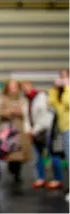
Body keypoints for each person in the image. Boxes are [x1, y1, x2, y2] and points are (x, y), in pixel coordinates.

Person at [20, 80, 62, 189]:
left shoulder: (42, 96)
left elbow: (45, 117)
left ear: (32, 86)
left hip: (46, 131)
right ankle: (40, 178)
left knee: (53, 155)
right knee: (38, 157)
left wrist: (34, 130)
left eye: (27, 86)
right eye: (23, 87)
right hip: (34, 132)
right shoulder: (25, 100)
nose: (25, 88)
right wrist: (28, 129)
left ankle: (58, 179)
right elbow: (26, 117)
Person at [0, 79, 32, 185]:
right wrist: (9, 112)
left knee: (20, 153)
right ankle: (12, 168)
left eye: (15, 87)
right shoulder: (3, 99)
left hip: (20, 130)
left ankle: (18, 173)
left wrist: (21, 112)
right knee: (11, 153)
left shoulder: (23, 99)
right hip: (8, 130)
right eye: (11, 87)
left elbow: (28, 112)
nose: (13, 89)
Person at [48, 69, 69, 202]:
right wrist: (56, 89)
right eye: (60, 77)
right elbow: (52, 103)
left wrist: (67, 87)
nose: (61, 79)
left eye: (64, 76)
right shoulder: (60, 92)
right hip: (63, 129)